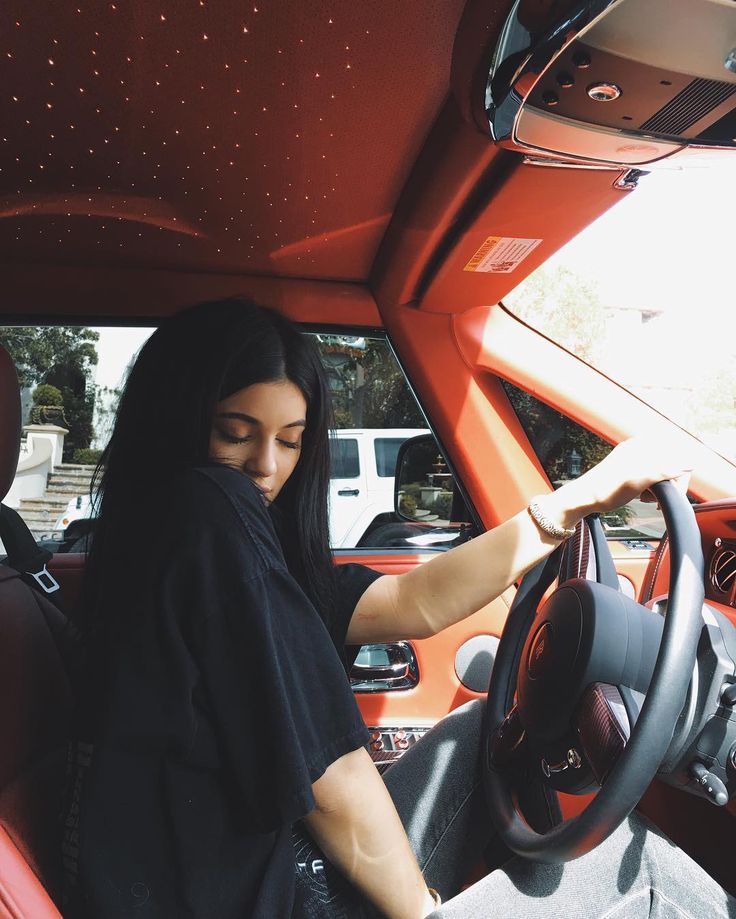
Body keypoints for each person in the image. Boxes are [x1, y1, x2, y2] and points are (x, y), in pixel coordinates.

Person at [60, 298, 734, 919]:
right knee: (640, 872)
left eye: (290, 440)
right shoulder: (207, 511)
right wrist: (425, 909)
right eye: (235, 433)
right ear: (178, 423)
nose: (265, 466)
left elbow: (415, 599)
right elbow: (327, 772)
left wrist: (575, 500)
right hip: (269, 899)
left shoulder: (186, 542)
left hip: (277, 869)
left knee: (484, 734)